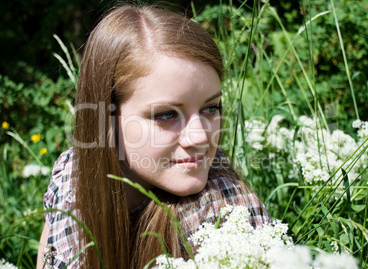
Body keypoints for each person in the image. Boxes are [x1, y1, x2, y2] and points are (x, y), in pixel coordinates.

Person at [37, 4, 270, 269]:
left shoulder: (226, 214)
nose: (199, 138)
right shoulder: (72, 179)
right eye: (166, 115)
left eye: (210, 108)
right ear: (107, 119)